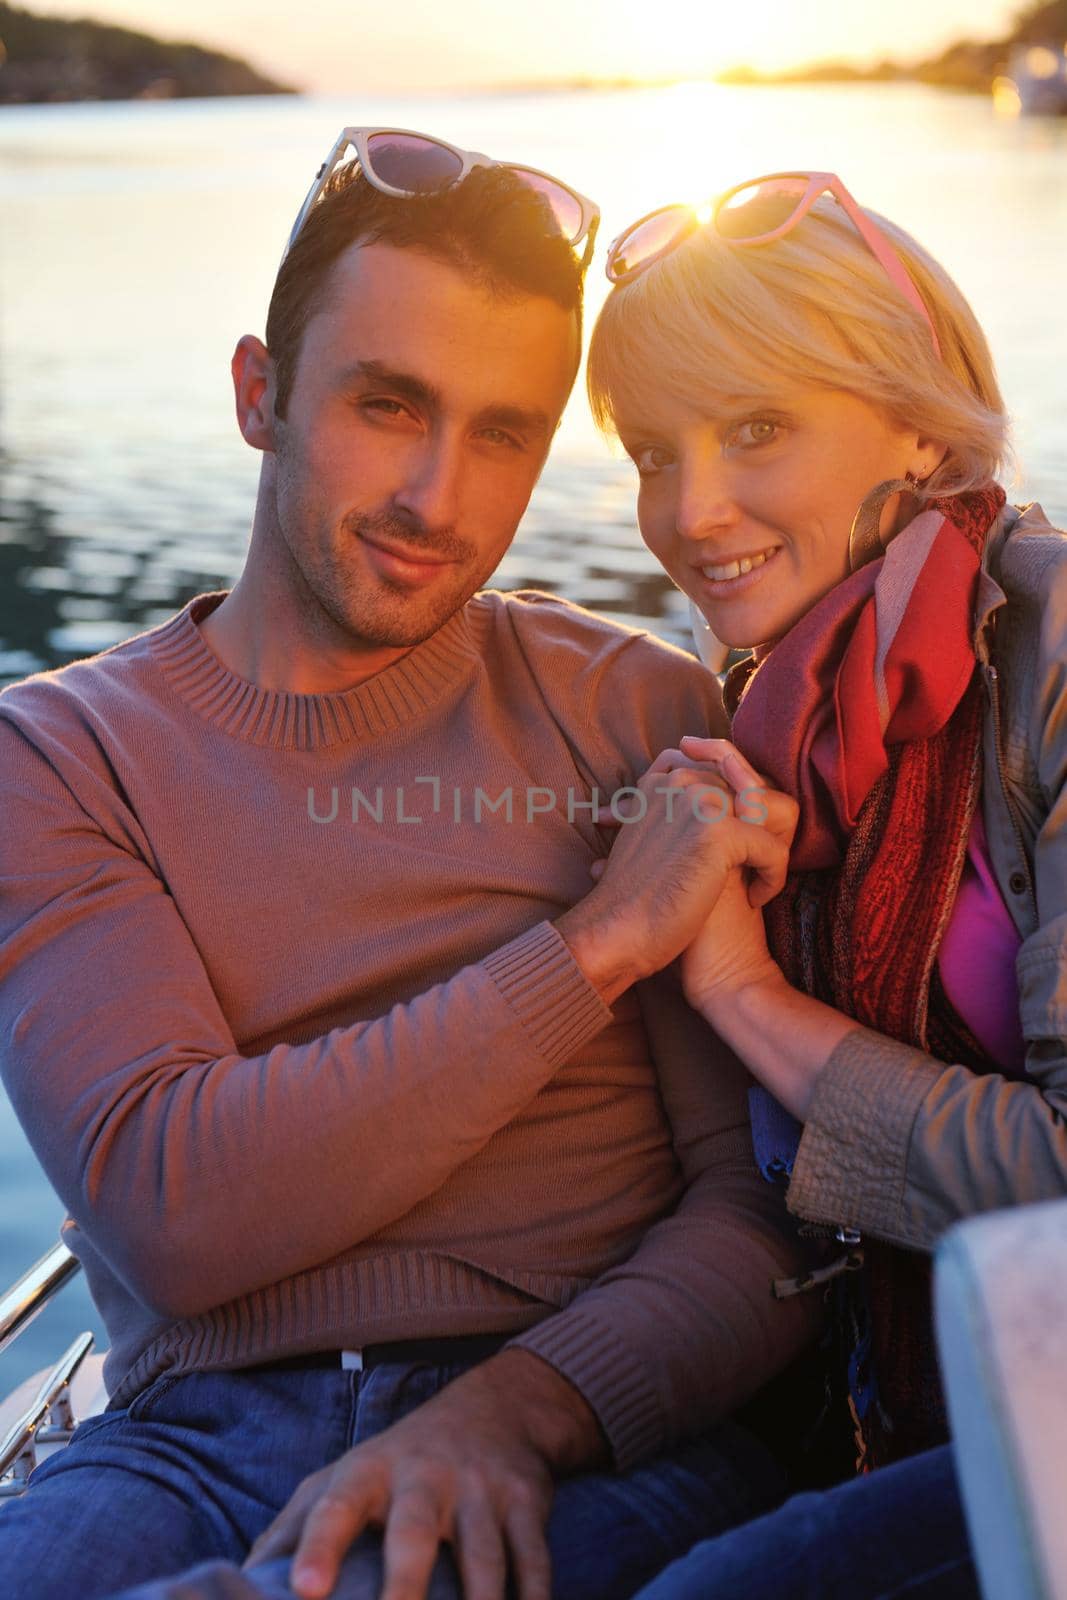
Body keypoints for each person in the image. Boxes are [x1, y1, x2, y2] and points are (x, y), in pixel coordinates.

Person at [0, 134, 818, 1600]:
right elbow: (177, 1210)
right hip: (189, 1438)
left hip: (580, 1420)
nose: (440, 500)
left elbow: (757, 1217)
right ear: (261, 394)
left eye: (505, 433)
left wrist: (519, 1411)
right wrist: (598, 948)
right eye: (389, 406)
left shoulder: (630, 706)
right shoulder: (58, 757)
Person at [581, 170, 1067, 1598]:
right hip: (899, 1382)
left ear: (921, 422)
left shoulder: (1046, 663)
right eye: (652, 451)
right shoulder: (783, 719)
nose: (689, 510)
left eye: (755, 431)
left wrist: (735, 987)